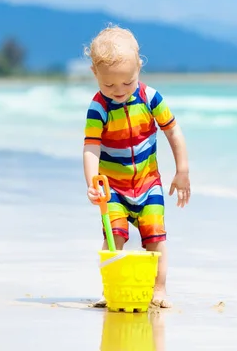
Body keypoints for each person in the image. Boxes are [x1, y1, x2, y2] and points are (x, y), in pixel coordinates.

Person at [82, 25, 190, 308]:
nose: (118, 91)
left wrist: (182, 170)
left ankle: (159, 289)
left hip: (147, 183)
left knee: (155, 235)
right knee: (113, 235)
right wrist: (92, 182)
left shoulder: (151, 98)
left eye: (127, 83)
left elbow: (173, 131)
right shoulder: (98, 108)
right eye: (109, 85)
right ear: (96, 74)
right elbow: (91, 147)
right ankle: (111, 289)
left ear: (139, 68)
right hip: (114, 188)